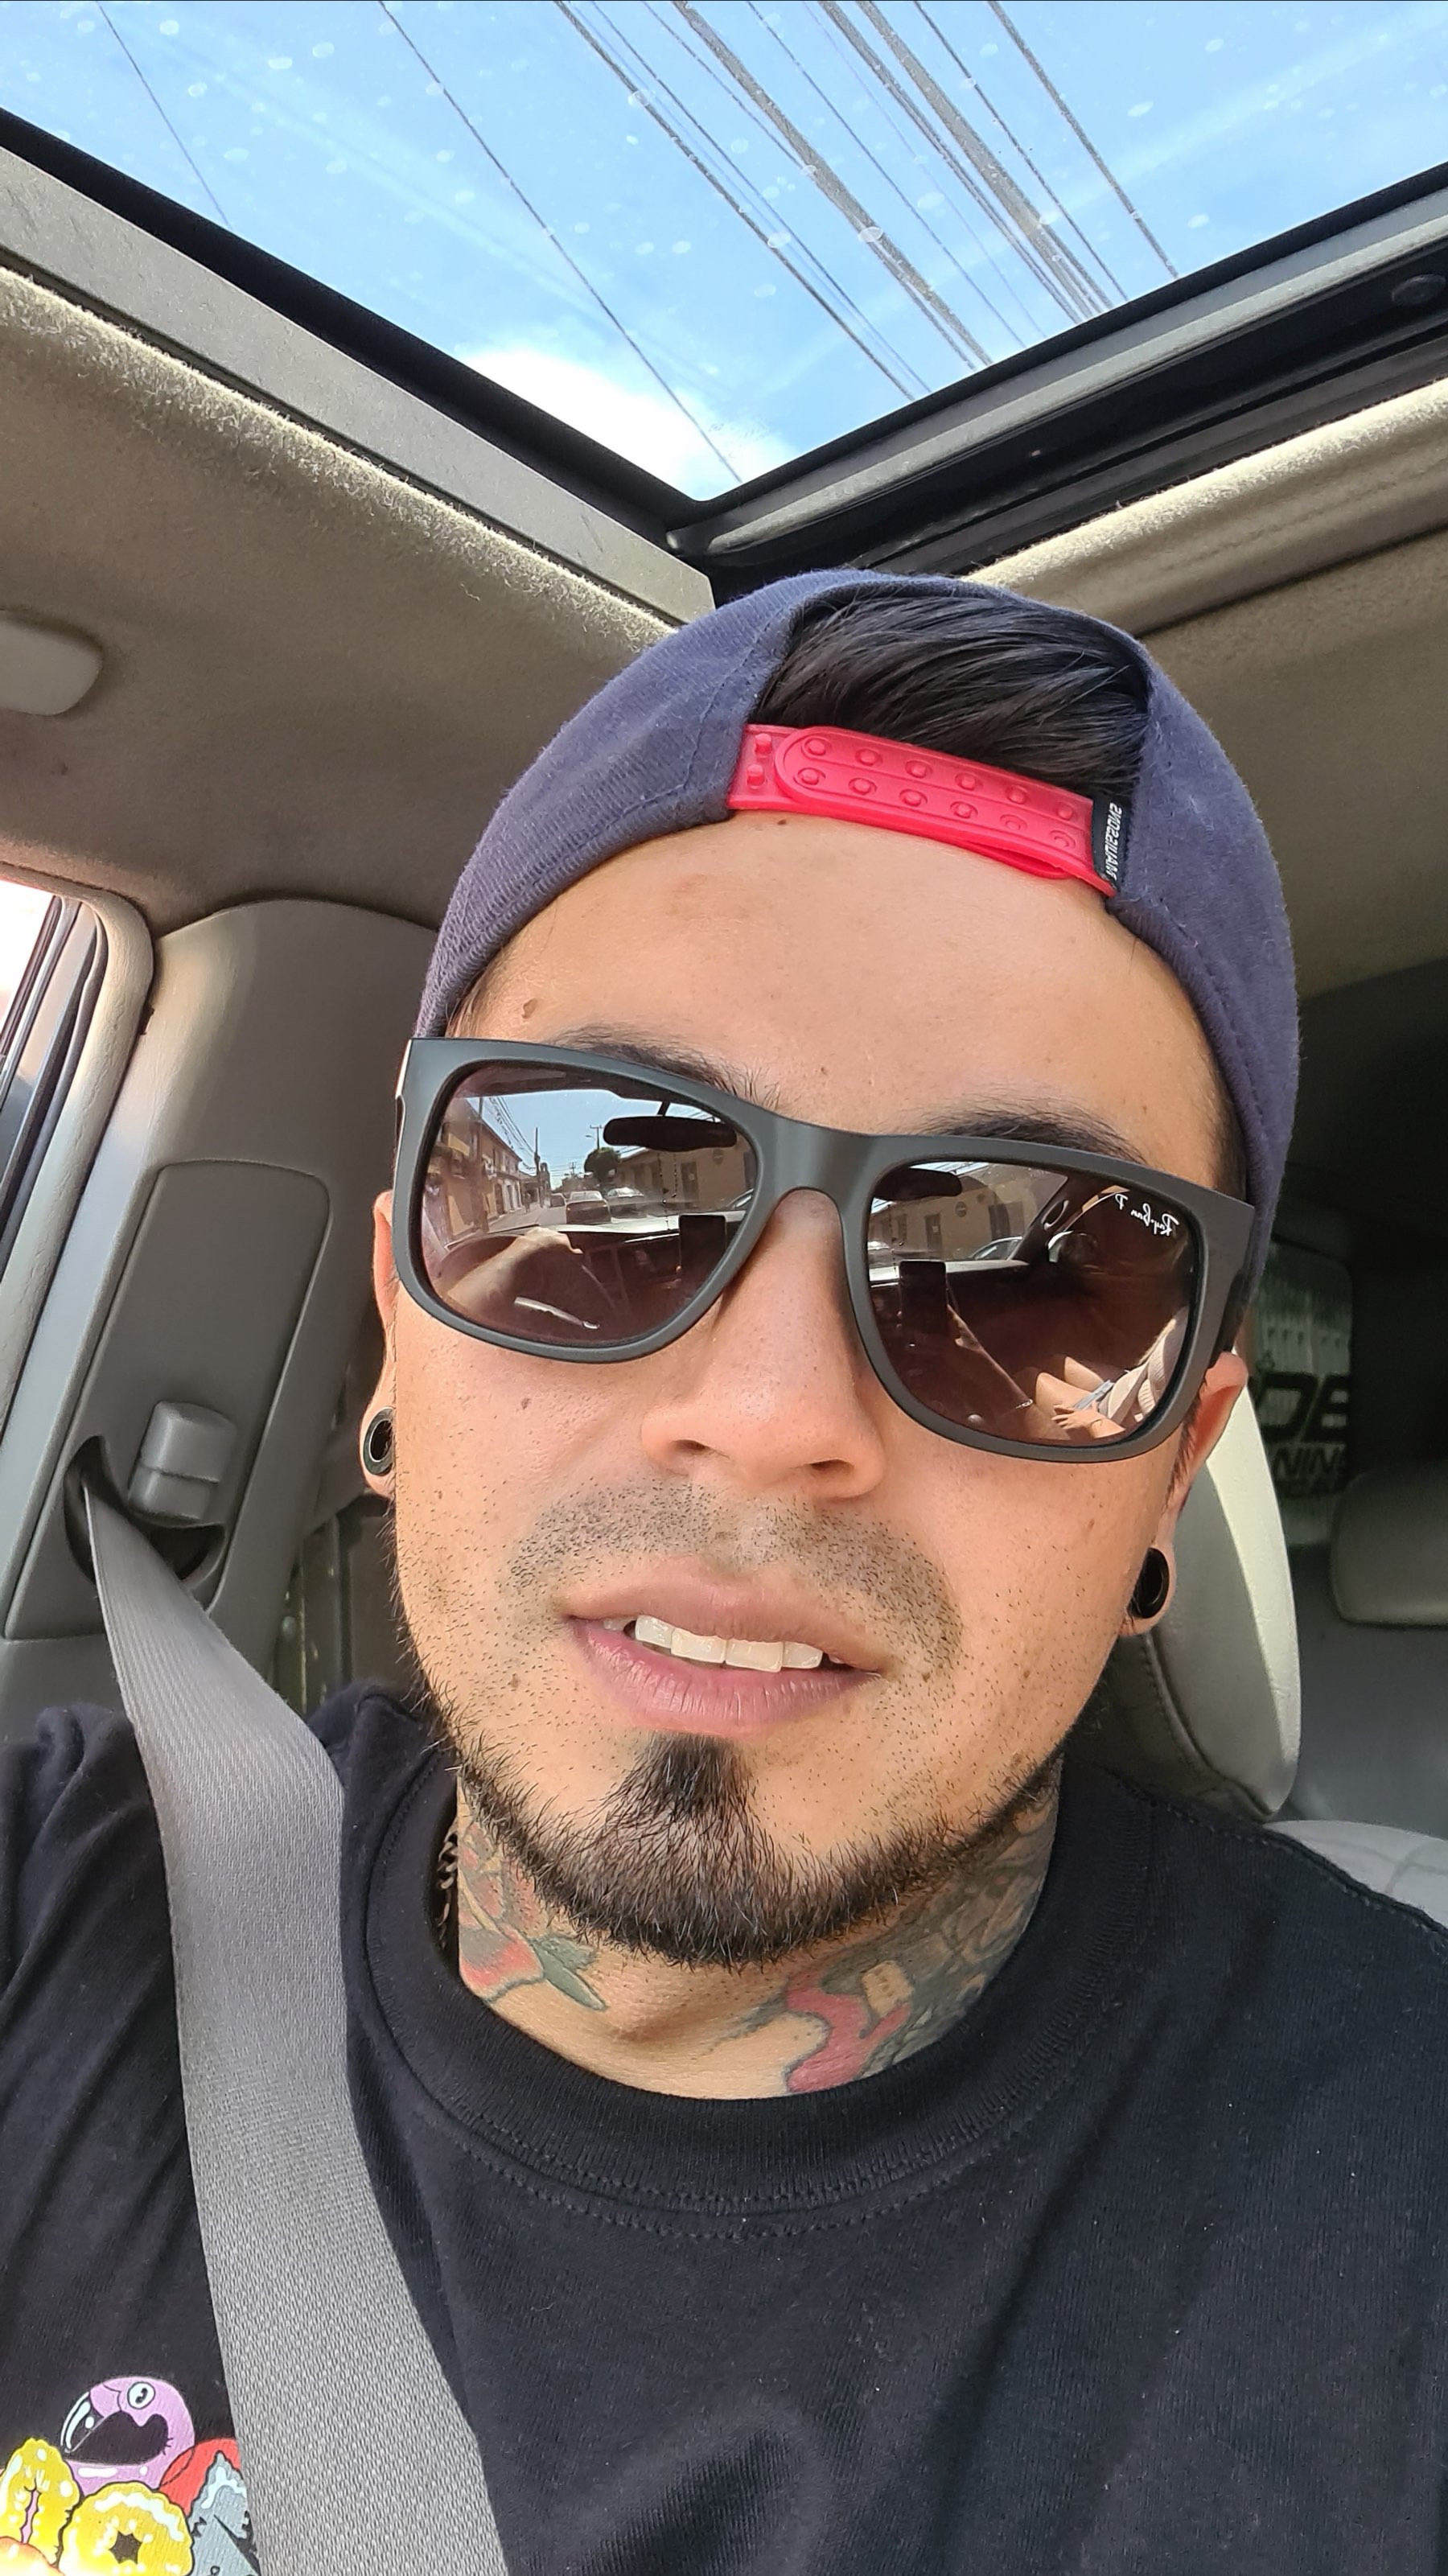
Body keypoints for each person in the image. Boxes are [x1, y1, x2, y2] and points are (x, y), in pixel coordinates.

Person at [2, 570, 1446, 2575]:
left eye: (1028, 1273)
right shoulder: (49, 1904)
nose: (771, 1413)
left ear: (1170, 1468)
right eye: (602, 1183)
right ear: (400, 1315)